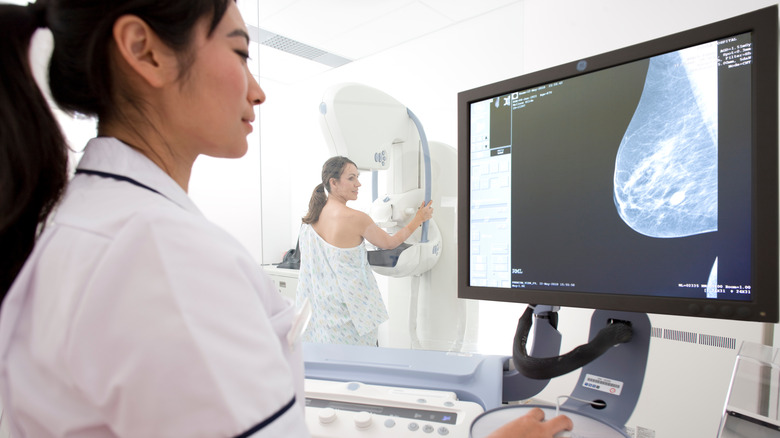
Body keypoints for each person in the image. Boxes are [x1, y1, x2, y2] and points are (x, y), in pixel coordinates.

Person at [0, 0, 571, 436]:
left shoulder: (76, 225)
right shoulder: (165, 258)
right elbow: (393, 242)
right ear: (145, 51)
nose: (258, 92)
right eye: (241, 53)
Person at [296, 156, 432, 346]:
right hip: (351, 318)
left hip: (323, 315)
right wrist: (418, 219)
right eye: (351, 178)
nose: (358, 184)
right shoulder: (356, 218)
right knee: (360, 368)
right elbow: (390, 243)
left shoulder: (309, 220)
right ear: (333, 183)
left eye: (358, 177)